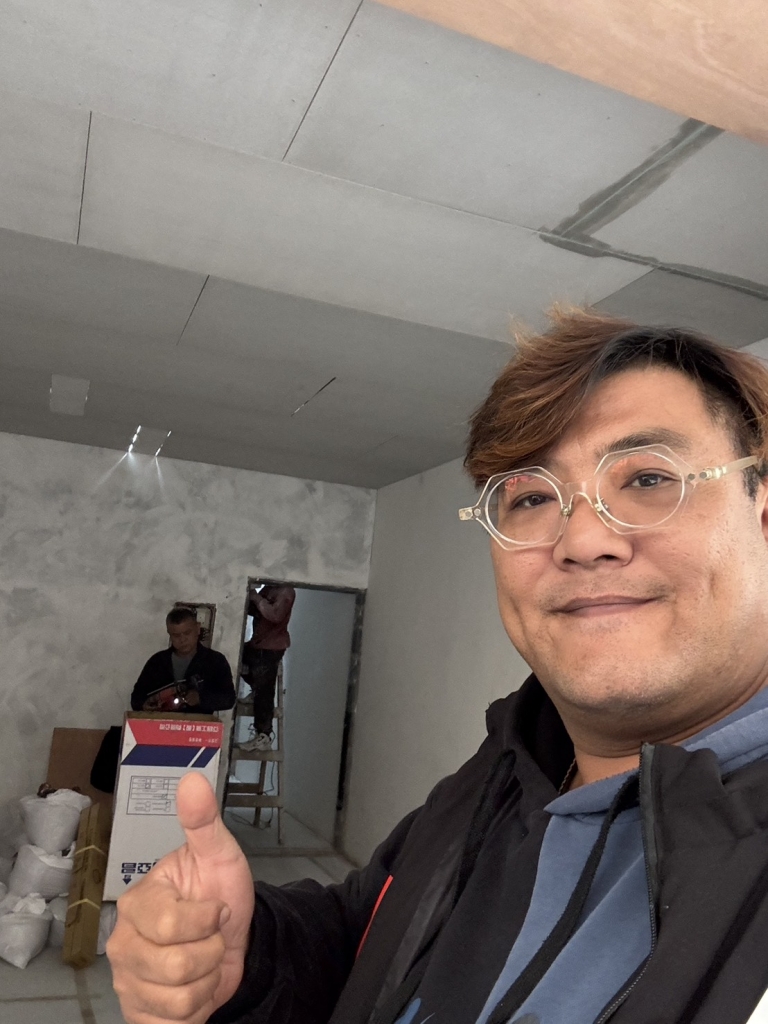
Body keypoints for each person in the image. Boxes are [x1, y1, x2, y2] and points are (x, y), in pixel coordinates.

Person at [108, 308, 768, 1024]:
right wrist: (252, 953)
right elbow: (367, 940)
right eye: (532, 497)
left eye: (648, 478)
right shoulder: (502, 770)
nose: (582, 540)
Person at [130, 607, 235, 714]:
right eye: (176, 635)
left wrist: (200, 698)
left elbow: (229, 699)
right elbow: (136, 698)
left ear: (198, 629)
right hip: (162, 722)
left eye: (187, 633)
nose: (182, 639)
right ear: (169, 634)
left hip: (198, 723)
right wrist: (144, 705)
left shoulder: (214, 661)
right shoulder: (158, 662)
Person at [238, 584, 296, 750]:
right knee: (237, 658)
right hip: (258, 644)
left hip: (271, 648)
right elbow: (255, 611)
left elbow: (275, 615)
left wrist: (256, 597)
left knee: (264, 691)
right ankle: (255, 689)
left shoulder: (286, 591)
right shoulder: (269, 588)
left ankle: (263, 735)